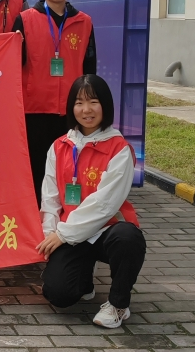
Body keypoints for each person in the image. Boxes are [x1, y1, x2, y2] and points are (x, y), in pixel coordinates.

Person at [37, 74, 145, 329]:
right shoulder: (59, 146)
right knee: (59, 295)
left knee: (129, 238)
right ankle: (84, 281)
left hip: (106, 232)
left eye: (93, 102)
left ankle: (118, 304)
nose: (86, 110)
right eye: (79, 103)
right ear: (71, 108)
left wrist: (63, 234)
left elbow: (105, 203)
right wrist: (50, 234)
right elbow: (50, 197)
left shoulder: (119, 149)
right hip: (71, 234)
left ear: (105, 105)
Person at [12, 0, 96, 204]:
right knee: (37, 166)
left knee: (69, 165)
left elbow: (89, 66)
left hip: (72, 109)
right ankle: (37, 214)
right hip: (35, 109)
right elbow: (14, 65)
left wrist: (88, 104)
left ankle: (67, 214)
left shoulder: (83, 21)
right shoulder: (25, 19)